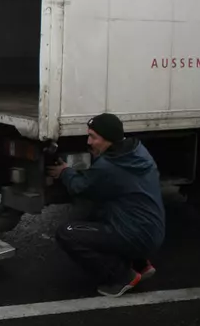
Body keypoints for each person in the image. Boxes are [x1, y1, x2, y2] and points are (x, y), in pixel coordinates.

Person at [47, 113, 165, 297]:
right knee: (97, 211)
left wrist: (65, 172)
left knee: (68, 232)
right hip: (151, 231)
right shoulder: (137, 150)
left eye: (93, 137)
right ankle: (140, 264)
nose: (89, 141)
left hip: (137, 235)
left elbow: (80, 188)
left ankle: (122, 276)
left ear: (108, 139)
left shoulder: (108, 167)